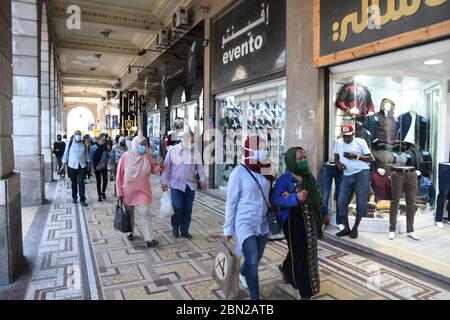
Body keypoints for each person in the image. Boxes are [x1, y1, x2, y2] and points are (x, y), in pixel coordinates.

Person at [271, 147, 330, 300]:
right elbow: (275, 199)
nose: (303, 161)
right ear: (291, 160)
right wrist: (294, 197)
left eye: (304, 157)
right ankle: (305, 291)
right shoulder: (284, 179)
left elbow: (317, 195)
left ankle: (286, 269)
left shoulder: (309, 176)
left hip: (310, 221)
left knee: (307, 251)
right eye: (299, 158)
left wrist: (325, 212)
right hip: (293, 222)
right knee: (300, 254)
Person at [223, 136, 273, 300]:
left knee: (257, 256)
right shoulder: (239, 172)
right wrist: (228, 228)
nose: (262, 151)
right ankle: (255, 297)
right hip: (245, 222)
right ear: (249, 150)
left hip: (263, 222)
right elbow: (231, 202)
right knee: (252, 259)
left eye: (263, 147)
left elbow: (271, 191)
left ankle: (243, 273)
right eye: (258, 147)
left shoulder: (266, 168)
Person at [116, 136, 163, 247]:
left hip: (143, 190)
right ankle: (130, 232)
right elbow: (119, 175)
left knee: (145, 212)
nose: (143, 146)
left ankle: (149, 238)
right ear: (135, 144)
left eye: (145, 144)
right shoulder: (125, 156)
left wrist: (160, 167)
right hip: (128, 190)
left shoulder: (148, 156)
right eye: (140, 144)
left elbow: (153, 170)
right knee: (129, 213)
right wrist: (119, 192)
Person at [161, 131, 207, 239]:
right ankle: (175, 228)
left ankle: (184, 230)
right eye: (190, 141)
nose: (192, 144)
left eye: (193, 141)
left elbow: (199, 167)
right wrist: (164, 182)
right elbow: (167, 167)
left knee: (188, 209)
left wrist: (203, 180)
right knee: (177, 207)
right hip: (176, 185)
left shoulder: (195, 152)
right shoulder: (173, 150)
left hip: (190, 185)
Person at [334, 124, 374, 239]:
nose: (346, 138)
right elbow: (336, 157)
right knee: (341, 201)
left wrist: (356, 157)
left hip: (361, 172)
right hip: (347, 174)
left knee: (361, 202)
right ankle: (346, 228)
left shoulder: (360, 142)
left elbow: (371, 159)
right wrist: (339, 164)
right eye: (344, 136)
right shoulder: (338, 142)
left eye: (348, 136)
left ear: (353, 134)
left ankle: (355, 228)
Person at [61, 130, 89, 207]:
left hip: (82, 166)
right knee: (74, 183)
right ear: (74, 135)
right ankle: (74, 197)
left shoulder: (84, 144)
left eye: (79, 134)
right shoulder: (69, 143)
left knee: (81, 183)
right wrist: (63, 164)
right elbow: (66, 153)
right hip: (72, 166)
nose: (78, 136)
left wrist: (89, 164)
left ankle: (82, 199)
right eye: (76, 134)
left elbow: (87, 154)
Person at [90, 133, 110, 202]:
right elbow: (91, 158)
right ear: (98, 140)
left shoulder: (105, 147)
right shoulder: (93, 148)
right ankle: (99, 195)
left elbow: (108, 156)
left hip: (104, 166)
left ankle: (103, 192)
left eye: (105, 140)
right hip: (96, 167)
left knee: (105, 180)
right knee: (99, 181)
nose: (104, 141)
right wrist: (92, 167)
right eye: (103, 140)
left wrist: (106, 161)